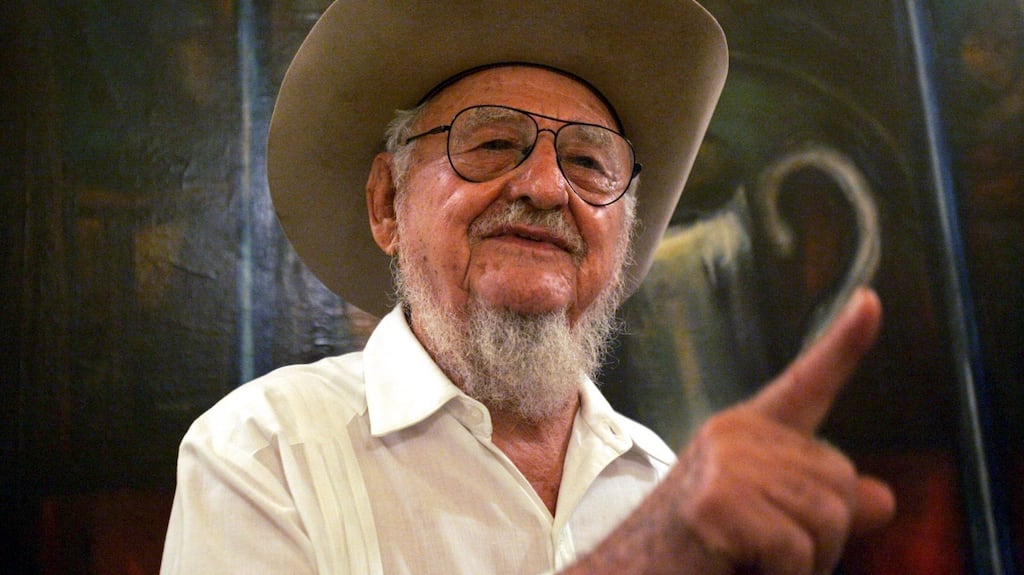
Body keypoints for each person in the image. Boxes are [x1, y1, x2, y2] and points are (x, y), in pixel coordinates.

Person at [160, 1, 896, 574]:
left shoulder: (660, 482)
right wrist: (642, 556)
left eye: (588, 162)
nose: (546, 186)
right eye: (490, 143)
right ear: (388, 202)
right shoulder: (262, 455)